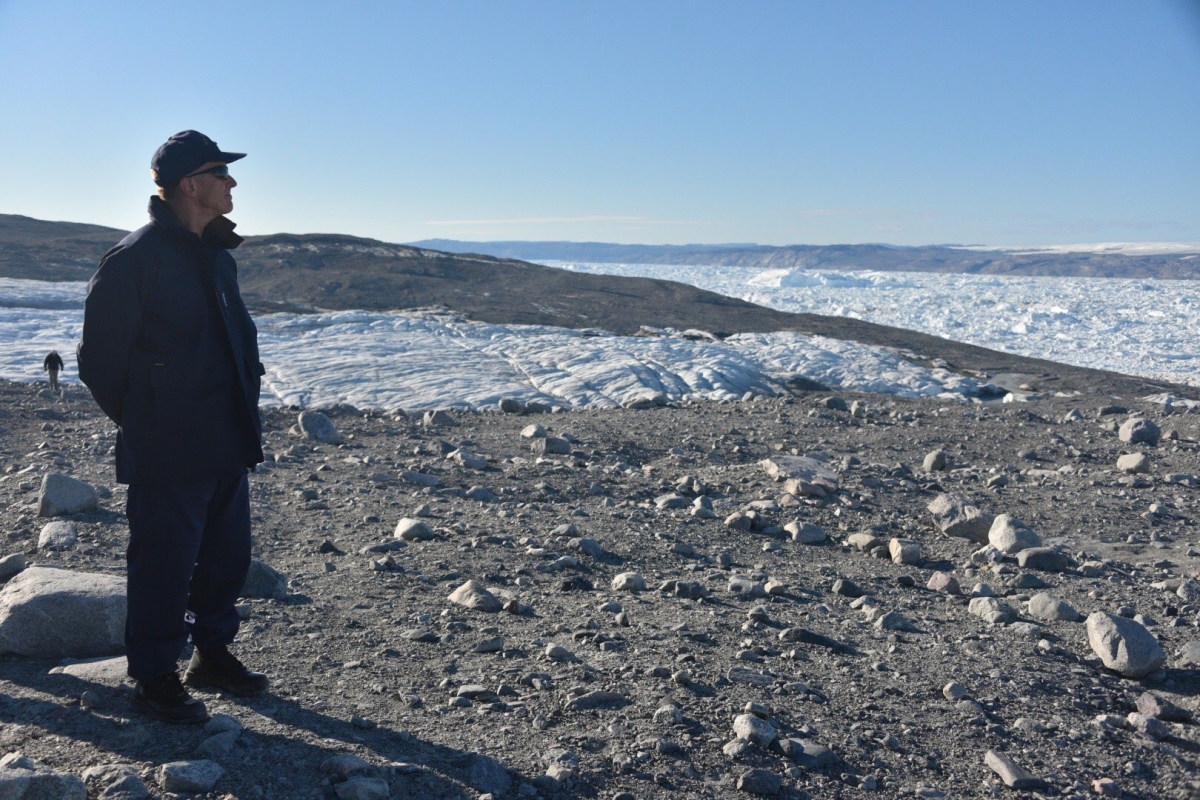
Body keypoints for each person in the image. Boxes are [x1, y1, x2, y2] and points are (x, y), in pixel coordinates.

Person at [77, 130, 268, 724]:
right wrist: (149, 421)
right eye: (221, 172)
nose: (232, 182)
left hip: (225, 437)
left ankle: (212, 655)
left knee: (225, 555)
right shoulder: (135, 260)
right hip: (168, 445)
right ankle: (154, 676)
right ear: (190, 184)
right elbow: (98, 362)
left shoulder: (217, 256)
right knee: (163, 562)